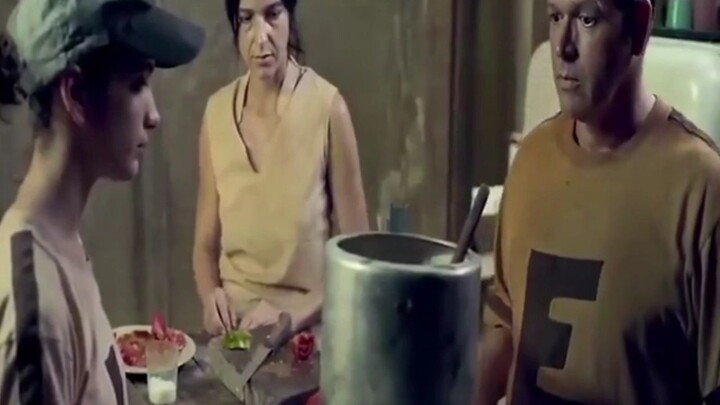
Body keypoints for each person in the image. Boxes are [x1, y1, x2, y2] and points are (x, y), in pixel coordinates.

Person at [477, 0, 720, 404]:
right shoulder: (532, 161)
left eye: (587, 20)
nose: (562, 46)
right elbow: (505, 328)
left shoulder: (700, 189)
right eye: (556, 17)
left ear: (639, 26)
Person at [0, 0, 204, 403]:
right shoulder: (38, 314)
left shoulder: (62, 244)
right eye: (136, 84)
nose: (154, 116)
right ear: (76, 94)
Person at [193, 0, 369, 336]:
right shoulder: (216, 113)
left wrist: (293, 315)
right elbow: (204, 245)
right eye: (247, 19)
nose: (261, 37)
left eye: (273, 15)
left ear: (290, 17)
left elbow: (358, 258)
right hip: (235, 334)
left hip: (307, 331)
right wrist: (210, 295)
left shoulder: (327, 108)